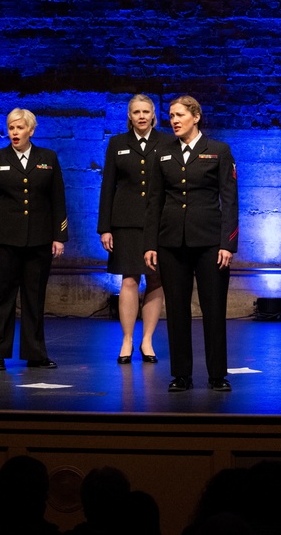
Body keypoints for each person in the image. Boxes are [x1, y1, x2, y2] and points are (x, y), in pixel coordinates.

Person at [144, 95, 239, 393]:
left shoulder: (218, 151)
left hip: (210, 242)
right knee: (176, 309)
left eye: (179, 115)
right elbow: (154, 201)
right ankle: (181, 374)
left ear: (195, 117)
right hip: (172, 242)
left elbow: (230, 199)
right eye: (171, 115)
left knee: (213, 309)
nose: (173, 120)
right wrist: (150, 244)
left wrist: (228, 244)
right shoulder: (162, 152)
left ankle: (217, 374)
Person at [0, 108, 68, 372]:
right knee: (2, 297)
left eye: (19, 128)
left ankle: (35, 353)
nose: (14, 133)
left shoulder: (47, 158)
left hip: (38, 241)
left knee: (34, 298)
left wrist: (59, 236)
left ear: (31, 130)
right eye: (11, 128)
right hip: (4, 241)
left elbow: (58, 200)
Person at [97, 94, 166, 364]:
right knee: (128, 279)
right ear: (129, 116)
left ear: (153, 115)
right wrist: (105, 228)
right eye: (136, 111)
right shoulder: (117, 144)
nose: (141, 116)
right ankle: (127, 340)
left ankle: (147, 340)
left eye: (145, 111)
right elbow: (107, 187)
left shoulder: (166, 142)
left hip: (159, 222)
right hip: (124, 222)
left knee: (156, 279)